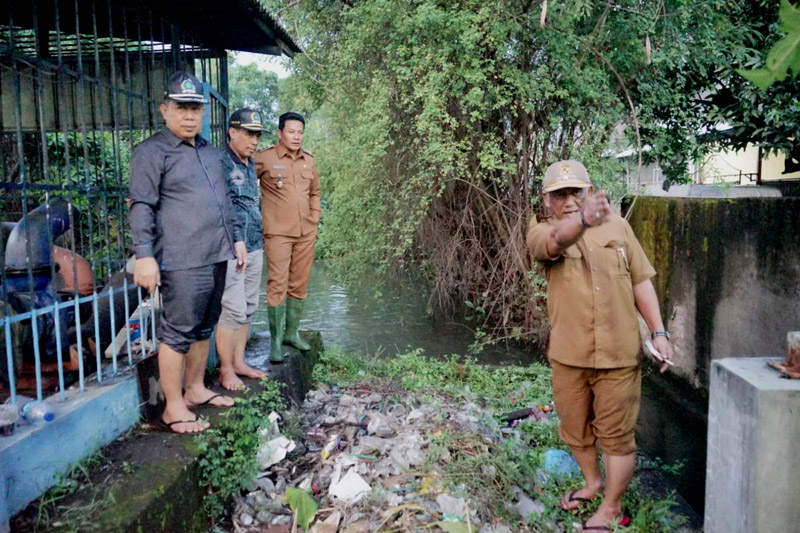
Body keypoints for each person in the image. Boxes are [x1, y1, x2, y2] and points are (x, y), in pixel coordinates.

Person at [526, 160, 674, 531]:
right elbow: (557, 241)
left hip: (619, 355)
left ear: (589, 192)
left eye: (576, 192)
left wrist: (659, 332)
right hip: (569, 354)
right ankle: (593, 483)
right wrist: (585, 222)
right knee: (575, 430)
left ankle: (611, 508)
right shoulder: (540, 231)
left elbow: (640, 281)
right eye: (560, 194)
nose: (570, 201)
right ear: (547, 200)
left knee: (618, 438)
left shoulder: (619, 227)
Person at [129, 71, 246, 433]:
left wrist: (237, 239)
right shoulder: (151, 152)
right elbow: (141, 206)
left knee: (203, 328)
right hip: (180, 259)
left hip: (216, 253)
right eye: (181, 107)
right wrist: (144, 255)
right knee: (177, 332)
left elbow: (225, 201)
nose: (189, 115)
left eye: (195, 108)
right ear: (165, 110)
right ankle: (173, 406)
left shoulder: (210, 153)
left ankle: (195, 389)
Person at [254, 112, 320, 363]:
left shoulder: (309, 161)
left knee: (299, 284)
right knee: (277, 285)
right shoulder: (265, 158)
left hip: (306, 232)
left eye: (300, 132)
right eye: (291, 132)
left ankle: (292, 333)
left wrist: (315, 215)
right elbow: (246, 185)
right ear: (280, 133)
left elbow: (315, 192)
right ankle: (275, 342)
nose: (296, 137)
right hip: (278, 232)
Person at [215, 108, 269, 390]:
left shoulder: (249, 164)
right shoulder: (221, 162)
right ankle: (225, 370)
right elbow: (223, 206)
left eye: (257, 135)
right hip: (232, 247)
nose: (254, 141)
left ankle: (239, 361)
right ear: (231, 132)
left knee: (248, 307)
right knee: (232, 310)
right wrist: (236, 241)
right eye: (249, 134)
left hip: (255, 243)